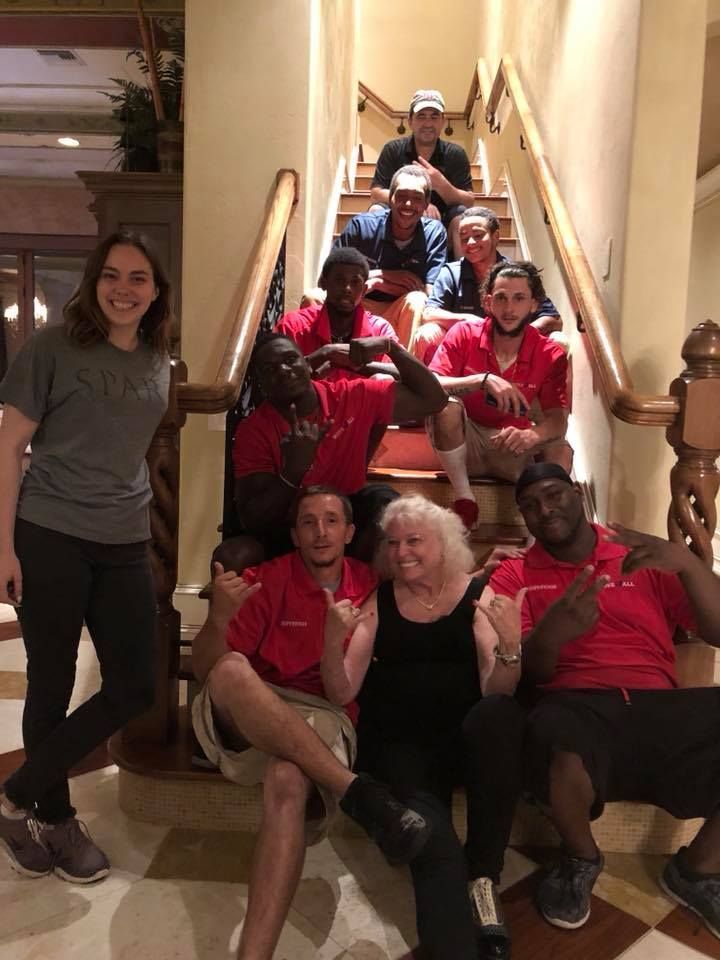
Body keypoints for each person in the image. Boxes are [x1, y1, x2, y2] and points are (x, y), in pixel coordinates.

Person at [192, 486, 432, 960]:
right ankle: (357, 792)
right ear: (294, 535)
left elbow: (433, 566)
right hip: (247, 706)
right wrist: (218, 619)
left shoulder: (370, 585)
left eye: (330, 521)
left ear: (349, 532)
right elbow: (205, 669)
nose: (320, 531)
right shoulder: (265, 580)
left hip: (322, 713)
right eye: (308, 522)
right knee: (232, 668)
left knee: (286, 778)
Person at [0, 231, 172, 882]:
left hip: (124, 537)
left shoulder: (159, 359)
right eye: (111, 276)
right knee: (52, 679)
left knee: (133, 685)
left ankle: (16, 795)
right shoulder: (52, 349)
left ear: (156, 293)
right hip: (51, 531)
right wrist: (3, 546)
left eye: (137, 279)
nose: (123, 289)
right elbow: (10, 445)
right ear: (93, 281)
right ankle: (54, 817)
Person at [489, 462, 720, 935]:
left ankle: (698, 869)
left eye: (553, 495)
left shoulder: (636, 554)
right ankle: (579, 857)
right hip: (578, 703)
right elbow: (528, 672)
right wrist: (552, 633)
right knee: (550, 729)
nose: (543, 510)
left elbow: (715, 632)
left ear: (577, 492)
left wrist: (689, 564)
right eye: (529, 506)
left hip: (658, 705)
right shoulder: (514, 575)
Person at [321, 494, 527, 960]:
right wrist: (332, 643)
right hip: (400, 748)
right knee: (434, 846)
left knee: (501, 716)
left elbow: (499, 690)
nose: (401, 551)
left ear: (445, 544)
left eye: (414, 540)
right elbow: (342, 691)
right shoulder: (380, 600)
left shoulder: (478, 597)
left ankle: (484, 877)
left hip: (464, 742)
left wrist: (511, 645)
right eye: (392, 542)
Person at [224, 329, 447, 570]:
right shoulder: (253, 430)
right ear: (262, 382)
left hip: (346, 521)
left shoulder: (352, 396)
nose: (283, 370)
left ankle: (356, 590)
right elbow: (253, 520)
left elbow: (434, 399)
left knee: (384, 501)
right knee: (233, 554)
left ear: (307, 364)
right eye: (270, 369)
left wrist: (391, 347)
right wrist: (293, 472)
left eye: (290, 360)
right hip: (290, 526)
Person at [427, 260, 571, 530]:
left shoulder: (549, 354)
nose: (508, 309)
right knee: (445, 407)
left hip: (513, 445)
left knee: (561, 449)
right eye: (501, 298)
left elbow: (558, 420)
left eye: (519, 299)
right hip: (464, 440)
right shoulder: (464, 333)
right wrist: (481, 380)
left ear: (534, 305)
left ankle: (539, 537)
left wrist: (532, 435)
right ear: (488, 302)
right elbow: (430, 383)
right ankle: (465, 499)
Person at [414, 206, 562, 363]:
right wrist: (466, 320)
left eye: (478, 235)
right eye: (464, 238)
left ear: (496, 236)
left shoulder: (516, 274)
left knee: (558, 340)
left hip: (511, 348)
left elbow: (554, 319)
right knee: (427, 333)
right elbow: (429, 313)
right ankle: (432, 386)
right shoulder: (451, 272)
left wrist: (521, 333)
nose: (470, 243)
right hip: (465, 344)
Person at [335, 165, 447, 346]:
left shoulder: (434, 233)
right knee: (313, 296)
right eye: (402, 196)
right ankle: (317, 368)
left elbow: (428, 294)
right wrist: (385, 276)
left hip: (401, 310)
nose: (408, 204)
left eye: (416, 198)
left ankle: (401, 371)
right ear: (390, 198)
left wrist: (378, 283)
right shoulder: (362, 226)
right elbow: (331, 278)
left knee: (417, 301)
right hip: (360, 302)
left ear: (427, 204)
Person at [369, 89, 474, 258]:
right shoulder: (393, 150)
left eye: (434, 116)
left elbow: (469, 200)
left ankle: (461, 279)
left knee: (463, 216)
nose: (428, 123)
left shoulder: (456, 154)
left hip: (444, 220)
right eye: (421, 116)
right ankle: (373, 271)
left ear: (442, 121)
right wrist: (417, 202)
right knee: (376, 210)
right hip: (400, 214)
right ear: (410, 121)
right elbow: (376, 192)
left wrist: (441, 185)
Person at [275, 248, 399, 381]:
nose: (347, 289)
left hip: (360, 401)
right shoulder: (293, 325)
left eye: (355, 282)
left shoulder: (380, 330)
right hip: (310, 401)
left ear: (364, 291)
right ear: (323, 283)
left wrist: (349, 363)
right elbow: (275, 377)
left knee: (383, 379)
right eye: (339, 280)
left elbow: (403, 374)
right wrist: (325, 354)